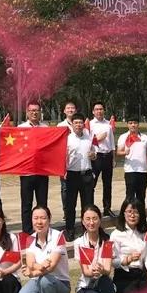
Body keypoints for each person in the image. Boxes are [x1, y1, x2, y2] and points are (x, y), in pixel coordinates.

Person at [15, 206, 70, 293]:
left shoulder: (58, 236)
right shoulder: (30, 239)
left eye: (43, 218)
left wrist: (33, 272)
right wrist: (40, 266)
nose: (39, 222)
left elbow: (51, 267)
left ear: (49, 219)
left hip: (60, 283)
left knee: (45, 281)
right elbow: (30, 263)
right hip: (38, 280)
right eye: (36, 218)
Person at [73, 204, 118, 293]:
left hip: (103, 281)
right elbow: (86, 272)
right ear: (83, 221)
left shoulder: (107, 242)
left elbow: (107, 270)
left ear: (100, 220)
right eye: (88, 219)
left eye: (94, 218)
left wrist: (101, 269)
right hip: (86, 285)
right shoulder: (79, 243)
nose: (91, 222)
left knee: (105, 281)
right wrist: (92, 271)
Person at [18, 101, 50, 234]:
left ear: (40, 112)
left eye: (36, 110)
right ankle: (27, 231)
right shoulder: (21, 128)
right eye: (31, 110)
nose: (34, 113)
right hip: (26, 172)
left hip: (42, 171)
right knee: (26, 204)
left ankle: (42, 229)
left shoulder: (46, 128)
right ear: (27, 112)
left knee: (42, 203)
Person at [64, 113, 96, 241]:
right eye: (76, 123)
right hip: (72, 175)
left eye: (80, 122)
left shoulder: (89, 137)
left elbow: (94, 154)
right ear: (72, 124)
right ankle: (70, 230)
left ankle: (87, 230)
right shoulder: (67, 139)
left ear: (84, 124)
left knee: (87, 205)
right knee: (70, 205)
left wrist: (93, 155)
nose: (78, 125)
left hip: (87, 174)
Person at [116, 117, 147, 205]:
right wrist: (124, 152)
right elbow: (118, 152)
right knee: (130, 196)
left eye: (135, 123)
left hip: (142, 171)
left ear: (138, 124)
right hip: (130, 171)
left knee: (141, 196)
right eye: (130, 123)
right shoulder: (123, 137)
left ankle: (141, 213)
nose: (133, 125)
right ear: (127, 125)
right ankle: (129, 212)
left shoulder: (144, 137)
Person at [89, 102, 116, 217]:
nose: (99, 111)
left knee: (107, 184)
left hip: (107, 156)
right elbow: (87, 142)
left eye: (101, 109)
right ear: (93, 111)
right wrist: (97, 139)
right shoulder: (90, 125)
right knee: (92, 184)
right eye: (97, 109)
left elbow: (112, 142)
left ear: (104, 110)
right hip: (96, 157)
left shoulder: (108, 124)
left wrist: (113, 158)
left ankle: (107, 208)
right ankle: (90, 208)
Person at [57, 101, 78, 218]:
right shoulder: (60, 126)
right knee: (65, 188)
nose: (70, 110)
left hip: (77, 161)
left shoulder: (80, 124)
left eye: (72, 108)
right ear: (64, 111)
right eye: (68, 108)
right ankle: (66, 211)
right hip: (64, 161)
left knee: (76, 189)